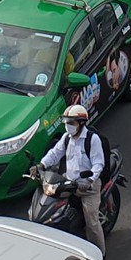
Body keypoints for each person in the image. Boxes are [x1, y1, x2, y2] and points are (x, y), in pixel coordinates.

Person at [37, 104, 108, 251]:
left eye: (71, 123)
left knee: (92, 223)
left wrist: (89, 180)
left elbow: (98, 164)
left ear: (81, 123)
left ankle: (99, 254)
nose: (68, 126)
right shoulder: (67, 138)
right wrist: (41, 165)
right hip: (68, 182)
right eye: (66, 123)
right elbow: (55, 154)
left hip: (88, 188)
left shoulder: (92, 140)